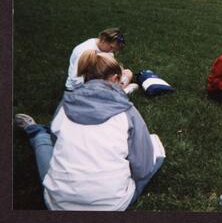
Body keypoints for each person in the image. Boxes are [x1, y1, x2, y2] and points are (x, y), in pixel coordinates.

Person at [15, 50, 165, 211]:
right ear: (115, 79)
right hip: (112, 206)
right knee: (156, 148)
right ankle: (37, 132)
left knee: (50, 149)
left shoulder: (64, 105)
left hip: (58, 205)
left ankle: (36, 131)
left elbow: (56, 145)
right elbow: (143, 169)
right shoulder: (127, 112)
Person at [65, 28, 134, 91]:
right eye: (111, 47)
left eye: (114, 50)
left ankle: (117, 91)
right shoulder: (85, 51)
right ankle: (121, 91)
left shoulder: (106, 50)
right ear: (104, 39)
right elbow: (76, 79)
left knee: (128, 73)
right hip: (81, 86)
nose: (111, 51)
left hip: (99, 78)